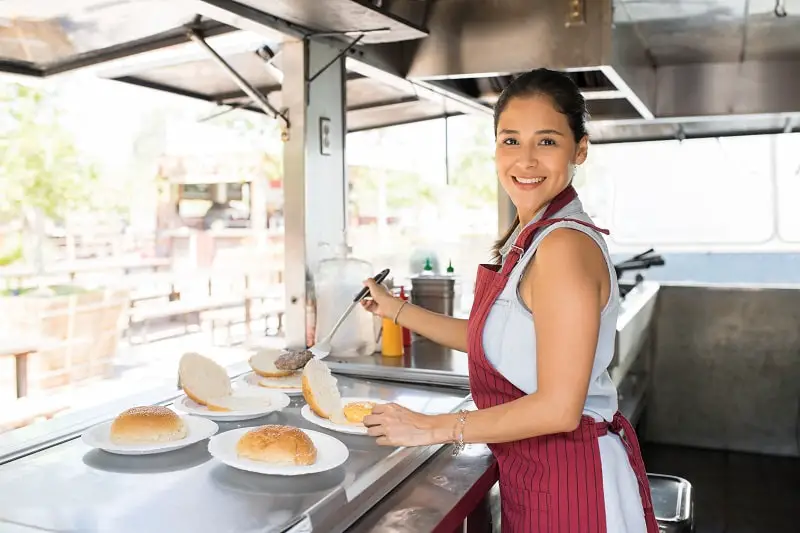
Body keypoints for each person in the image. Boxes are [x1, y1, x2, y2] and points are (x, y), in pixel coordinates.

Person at [360, 68, 659, 533]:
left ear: (579, 149)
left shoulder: (562, 246)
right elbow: (492, 337)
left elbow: (559, 408)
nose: (525, 160)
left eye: (547, 141)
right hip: (539, 479)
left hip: (573, 485)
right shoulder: (532, 236)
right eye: (511, 141)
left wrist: (433, 427)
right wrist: (394, 308)